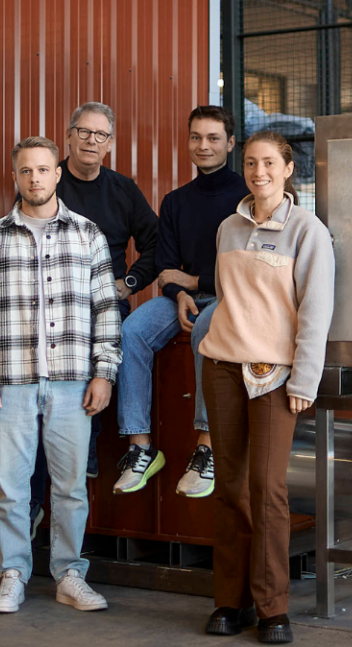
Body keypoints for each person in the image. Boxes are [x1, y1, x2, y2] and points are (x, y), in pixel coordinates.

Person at [0, 136, 121, 615]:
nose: (35, 178)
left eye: (43, 169)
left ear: (59, 173)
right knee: (10, 488)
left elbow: (105, 310)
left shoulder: (88, 235)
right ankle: (12, 573)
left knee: (70, 486)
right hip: (10, 382)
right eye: (26, 171)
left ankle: (69, 575)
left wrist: (105, 372)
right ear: (15, 177)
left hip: (74, 380)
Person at [196, 131, 335, 644]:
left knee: (269, 490)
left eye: (269, 163)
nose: (259, 172)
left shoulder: (308, 230)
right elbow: (227, 299)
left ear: (287, 169)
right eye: (251, 163)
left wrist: (304, 377)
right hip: (224, 369)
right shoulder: (228, 228)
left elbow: (316, 311)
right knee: (229, 488)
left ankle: (273, 606)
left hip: (276, 376)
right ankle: (230, 602)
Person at [113, 105, 247, 498]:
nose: (203, 146)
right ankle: (140, 448)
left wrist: (195, 281)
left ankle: (205, 449)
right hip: (185, 298)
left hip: (230, 298)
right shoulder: (175, 201)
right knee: (132, 330)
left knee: (207, 329)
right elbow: (166, 267)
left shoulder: (245, 196)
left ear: (230, 143)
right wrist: (182, 292)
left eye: (213, 138)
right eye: (196, 137)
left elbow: (245, 269)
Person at [52, 100, 157, 485]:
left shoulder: (123, 190)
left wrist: (128, 283)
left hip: (105, 307)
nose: (91, 141)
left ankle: (86, 464)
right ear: (69, 136)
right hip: (53, 307)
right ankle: (70, 475)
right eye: (84, 132)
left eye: (100, 135)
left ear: (110, 143)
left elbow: (156, 243)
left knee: (99, 355)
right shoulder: (49, 181)